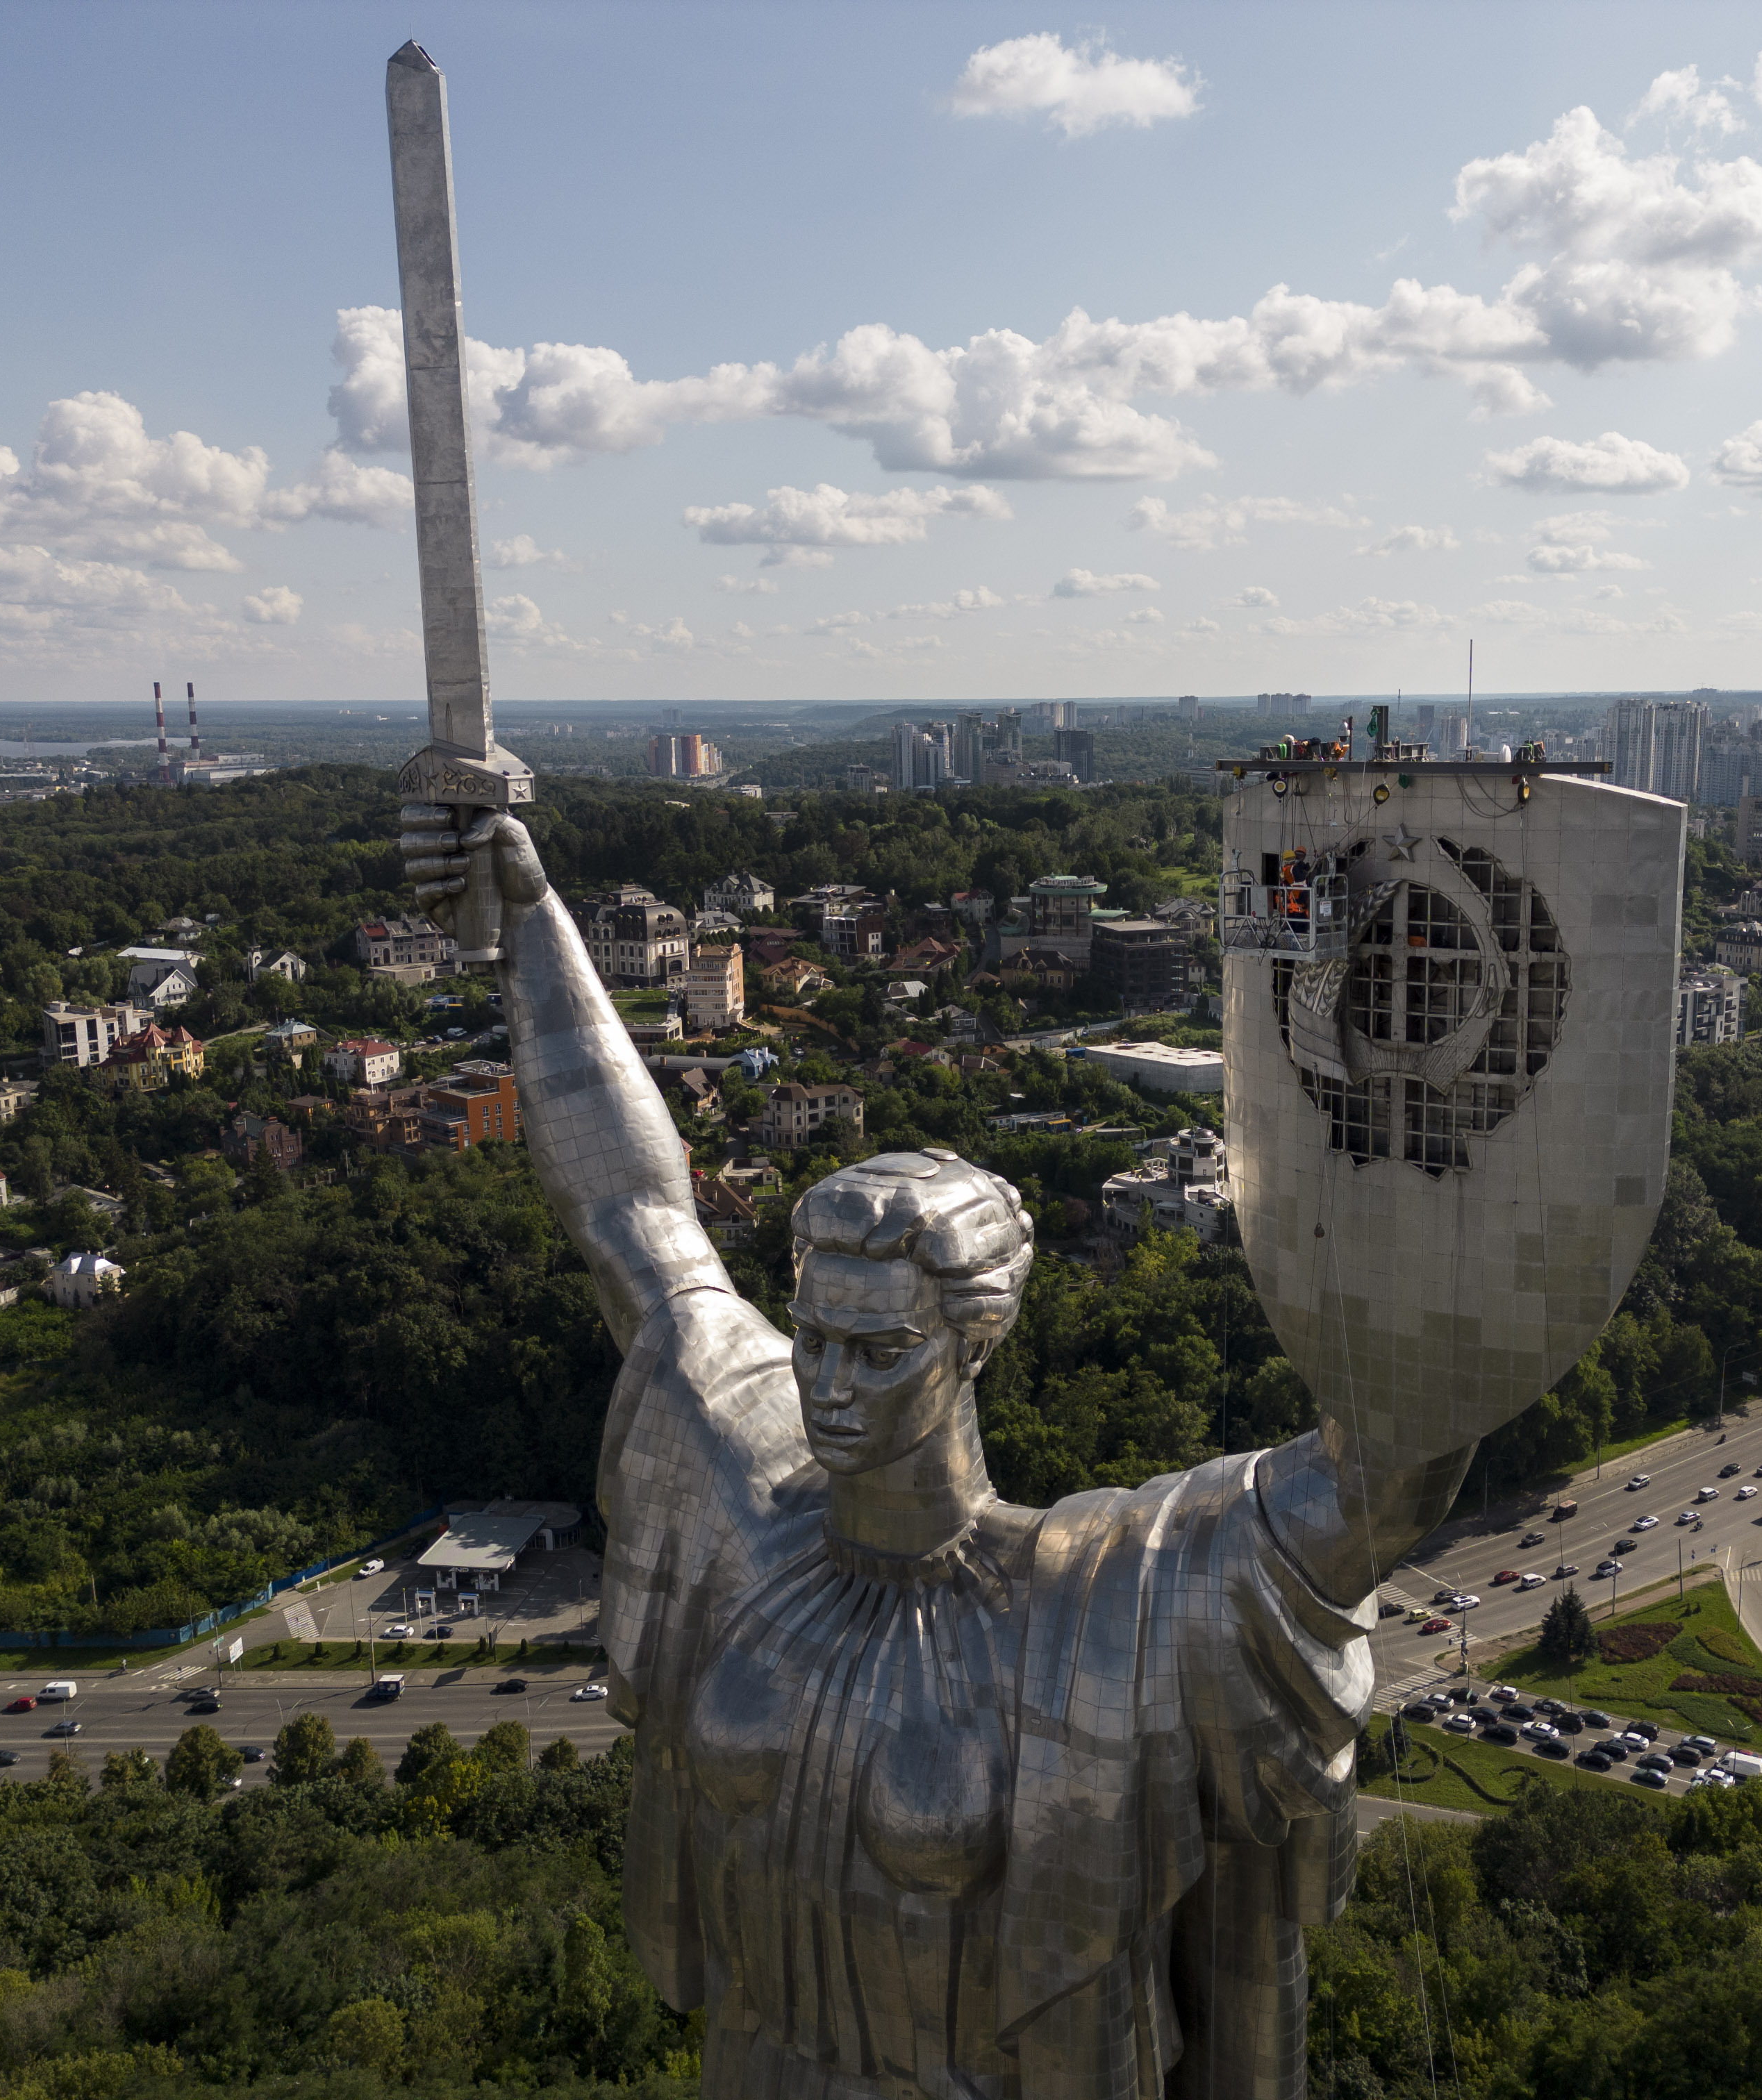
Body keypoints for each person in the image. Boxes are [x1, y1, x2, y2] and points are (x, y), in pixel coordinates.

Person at [401, 805, 1388, 2099]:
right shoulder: (745, 1492)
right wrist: (529, 919)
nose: (824, 1385)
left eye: (879, 1354)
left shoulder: (1096, 1604)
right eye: (811, 1338)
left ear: (971, 1349)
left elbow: (1374, 1486)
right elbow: (630, 1212)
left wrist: (1430, 1171)